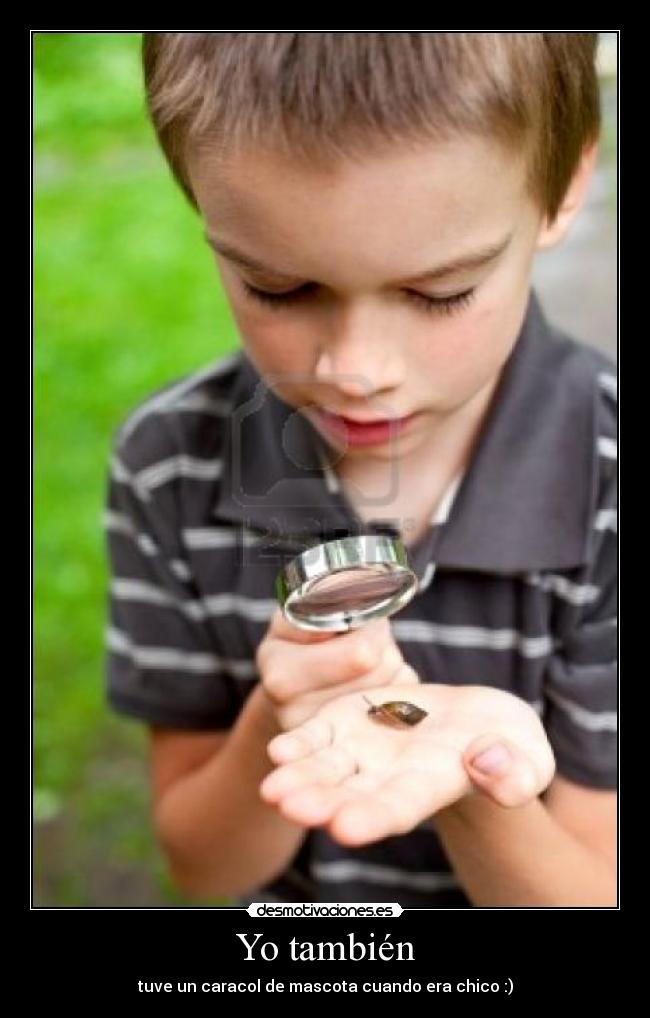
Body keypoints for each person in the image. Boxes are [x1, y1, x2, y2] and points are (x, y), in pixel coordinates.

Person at [105, 33, 617, 907]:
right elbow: (200, 865)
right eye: (278, 287)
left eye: (439, 291)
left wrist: (472, 781)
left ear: (563, 187)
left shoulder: (607, 483)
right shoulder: (170, 467)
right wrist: (282, 712)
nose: (356, 367)